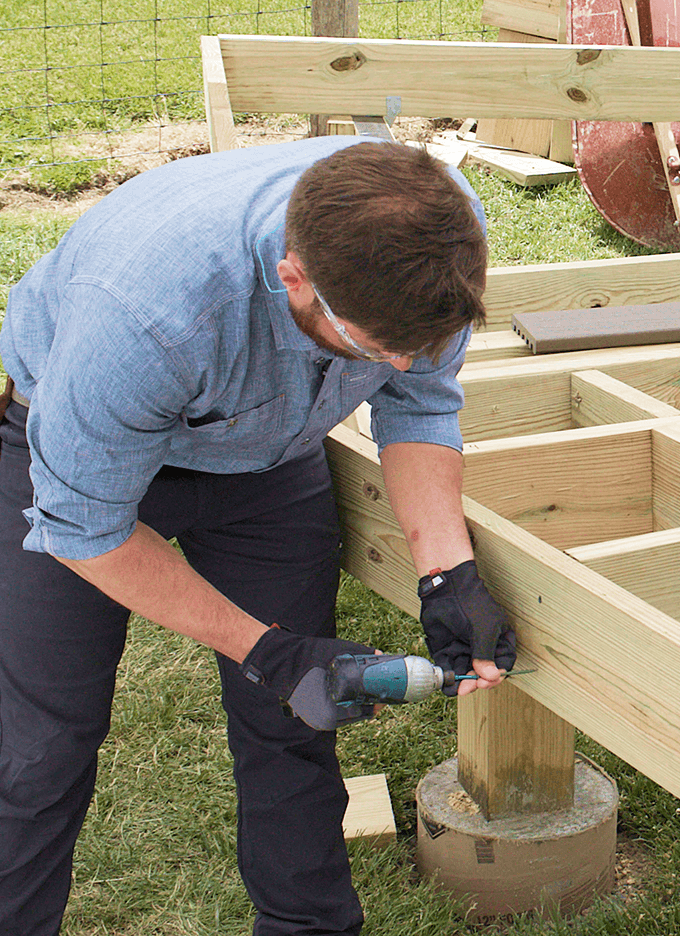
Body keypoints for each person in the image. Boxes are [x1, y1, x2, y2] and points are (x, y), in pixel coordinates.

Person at [0, 137, 518, 935]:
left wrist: (447, 571)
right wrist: (269, 651)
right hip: (80, 459)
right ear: (294, 278)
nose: (408, 359)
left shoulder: (439, 238)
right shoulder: (147, 314)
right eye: (380, 349)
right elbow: (84, 530)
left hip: (268, 460)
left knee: (293, 724)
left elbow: (417, 403)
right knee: (42, 748)